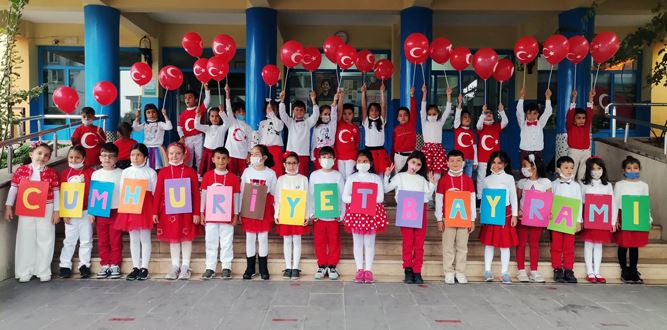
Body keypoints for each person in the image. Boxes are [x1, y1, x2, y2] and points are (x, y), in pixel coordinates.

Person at [4, 143, 61, 282]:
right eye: (39, 153)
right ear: (31, 154)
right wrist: (8, 206)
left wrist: (56, 211)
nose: (43, 157)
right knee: (25, 237)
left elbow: (56, 192)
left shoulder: (51, 173)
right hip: (26, 208)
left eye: (46, 155)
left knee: (46, 237)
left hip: (47, 207)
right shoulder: (21, 171)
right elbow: (14, 188)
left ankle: (43, 270)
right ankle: (24, 270)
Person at [384, 151, 436, 284]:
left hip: (420, 211)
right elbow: (386, 189)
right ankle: (407, 269)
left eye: (419, 164)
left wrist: (431, 183)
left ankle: (417, 270)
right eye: (413, 162)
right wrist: (387, 176)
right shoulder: (400, 176)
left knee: (419, 243)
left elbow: (428, 196)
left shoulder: (421, 179)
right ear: (408, 161)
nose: (415, 166)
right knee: (408, 242)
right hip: (405, 211)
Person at [152, 142, 201, 280]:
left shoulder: (190, 171)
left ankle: (185, 266)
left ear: (184, 155)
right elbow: (158, 193)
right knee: (173, 238)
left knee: (186, 237)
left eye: (178, 153)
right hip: (168, 212)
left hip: (186, 211)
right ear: (167, 155)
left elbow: (196, 194)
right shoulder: (163, 172)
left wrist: (196, 212)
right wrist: (155, 211)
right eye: (171, 153)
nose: (174, 156)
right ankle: (175, 266)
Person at [343, 149, 388, 284]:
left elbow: (380, 197)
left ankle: (368, 270)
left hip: (370, 214)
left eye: (365, 161)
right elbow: (345, 197)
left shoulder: (375, 178)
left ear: (371, 163)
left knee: (369, 243)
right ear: (356, 163)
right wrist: (357, 200)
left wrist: (366, 200)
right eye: (360, 161)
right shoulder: (352, 178)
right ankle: (359, 269)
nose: (362, 164)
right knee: (357, 242)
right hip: (356, 214)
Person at [115, 144, 156, 281]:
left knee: (145, 237)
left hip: (145, 206)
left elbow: (155, 192)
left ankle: (144, 267)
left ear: (145, 156)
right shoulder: (126, 172)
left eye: (138, 155)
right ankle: (135, 267)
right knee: (133, 238)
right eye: (133, 155)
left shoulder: (151, 172)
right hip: (130, 205)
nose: (135, 157)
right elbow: (122, 190)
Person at [435, 149, 476, 284]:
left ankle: (460, 272)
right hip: (448, 218)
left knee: (462, 246)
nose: (455, 163)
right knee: (448, 246)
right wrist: (439, 219)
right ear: (447, 163)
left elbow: (471, 201)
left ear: (464, 163)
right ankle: (448, 272)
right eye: (452, 161)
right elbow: (439, 200)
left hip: (464, 219)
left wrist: (472, 219)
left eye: (458, 160)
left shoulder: (468, 180)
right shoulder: (443, 180)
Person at [200, 147, 241, 280]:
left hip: (227, 216)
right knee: (211, 241)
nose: (221, 161)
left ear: (228, 160)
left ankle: (226, 267)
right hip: (211, 215)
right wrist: (201, 212)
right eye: (218, 158)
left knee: (226, 241)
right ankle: (210, 267)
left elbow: (236, 197)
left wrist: (236, 214)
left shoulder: (233, 178)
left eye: (224, 158)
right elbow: (204, 195)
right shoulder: (208, 176)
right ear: (213, 160)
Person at [479, 151, 518, 284]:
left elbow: (513, 196)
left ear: (505, 164)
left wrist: (514, 214)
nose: (496, 165)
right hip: (490, 214)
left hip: (505, 213)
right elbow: (483, 198)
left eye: (500, 163)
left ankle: (504, 272)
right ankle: (487, 271)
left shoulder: (509, 178)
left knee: (504, 244)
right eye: (494, 162)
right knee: (489, 243)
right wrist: (482, 215)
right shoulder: (487, 179)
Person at [240, 145, 278, 280]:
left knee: (262, 238)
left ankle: (263, 268)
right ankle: (250, 268)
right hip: (249, 208)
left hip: (265, 208)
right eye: (252, 154)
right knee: (250, 237)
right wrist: (240, 210)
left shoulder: (271, 173)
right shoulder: (247, 172)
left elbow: (275, 193)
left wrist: (275, 211)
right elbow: (242, 192)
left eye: (257, 154)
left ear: (264, 157)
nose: (253, 156)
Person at [57, 146, 94, 279]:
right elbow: (62, 193)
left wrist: (92, 211)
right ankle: (65, 265)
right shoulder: (65, 173)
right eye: (71, 157)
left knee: (86, 240)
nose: (74, 159)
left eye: (77, 157)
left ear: (83, 158)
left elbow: (93, 193)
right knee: (69, 240)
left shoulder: (90, 172)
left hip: (86, 211)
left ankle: (84, 265)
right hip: (71, 213)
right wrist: (64, 213)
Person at [308, 146, 345, 280]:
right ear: (319, 159)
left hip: (333, 217)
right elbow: (310, 196)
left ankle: (332, 265)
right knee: (320, 241)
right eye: (324, 157)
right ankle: (322, 265)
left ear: (334, 160)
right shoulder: (314, 175)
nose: (326, 160)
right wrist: (311, 213)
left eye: (329, 157)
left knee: (334, 241)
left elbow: (342, 196)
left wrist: (341, 214)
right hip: (319, 216)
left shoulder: (337, 175)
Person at [614, 156, 651, 284]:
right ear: (624, 170)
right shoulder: (619, 185)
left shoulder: (644, 186)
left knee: (635, 245)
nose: (632, 170)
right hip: (624, 215)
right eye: (629, 168)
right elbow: (616, 202)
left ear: (639, 169)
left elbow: (645, 203)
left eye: (635, 168)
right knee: (624, 244)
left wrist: (649, 218)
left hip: (638, 216)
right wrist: (615, 220)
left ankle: (634, 270)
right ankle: (624, 270)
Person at [580, 156, 617, 283]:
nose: (596, 171)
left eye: (599, 168)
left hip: (602, 219)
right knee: (589, 244)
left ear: (603, 169)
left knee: (598, 244)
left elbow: (612, 203)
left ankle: (597, 271)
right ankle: (590, 272)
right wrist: (580, 219)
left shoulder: (607, 185)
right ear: (588, 170)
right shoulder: (584, 184)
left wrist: (612, 221)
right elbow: (581, 202)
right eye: (593, 168)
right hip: (589, 218)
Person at [274, 152, 310, 280]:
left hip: (298, 214)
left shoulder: (303, 179)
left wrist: (307, 214)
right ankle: (288, 266)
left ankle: (295, 267)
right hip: (285, 214)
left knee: (297, 240)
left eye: (294, 163)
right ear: (284, 165)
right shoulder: (281, 179)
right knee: (287, 240)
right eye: (289, 163)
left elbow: (307, 198)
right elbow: (277, 197)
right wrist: (276, 213)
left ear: (298, 164)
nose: (291, 166)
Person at [515, 154, 551, 283]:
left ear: (534, 167)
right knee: (521, 243)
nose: (523, 169)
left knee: (534, 244)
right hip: (523, 218)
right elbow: (517, 199)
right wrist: (517, 211)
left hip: (537, 220)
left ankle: (534, 270)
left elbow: (549, 200)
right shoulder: (522, 183)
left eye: (525, 166)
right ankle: (521, 270)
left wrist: (548, 214)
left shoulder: (546, 182)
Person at [90, 143, 123, 279]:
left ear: (116, 159)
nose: (107, 159)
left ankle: (115, 264)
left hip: (116, 211)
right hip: (101, 211)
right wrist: (92, 212)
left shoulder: (122, 173)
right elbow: (93, 193)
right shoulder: (95, 174)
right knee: (102, 239)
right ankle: (105, 264)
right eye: (104, 156)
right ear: (99, 158)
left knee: (115, 239)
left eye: (110, 156)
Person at [551, 155, 583, 283]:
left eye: (571, 168)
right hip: (556, 220)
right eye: (566, 167)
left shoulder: (576, 186)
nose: (569, 170)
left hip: (570, 220)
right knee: (556, 245)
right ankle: (557, 268)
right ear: (558, 169)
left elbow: (579, 202)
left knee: (569, 246)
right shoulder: (553, 185)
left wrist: (578, 220)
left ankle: (569, 269)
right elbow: (550, 201)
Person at [279, 90, 319, 176]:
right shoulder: (290, 122)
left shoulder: (308, 123)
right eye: (296, 110)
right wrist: (282, 101)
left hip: (303, 154)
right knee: (290, 174)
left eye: (301, 110)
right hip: (290, 154)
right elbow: (282, 114)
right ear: (293, 111)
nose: (299, 112)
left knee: (302, 175)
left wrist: (313, 101)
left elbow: (315, 116)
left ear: (305, 111)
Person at [476, 103, 508, 199]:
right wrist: (482, 113)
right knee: (481, 178)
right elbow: (478, 124)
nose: (488, 114)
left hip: (495, 159)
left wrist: (501, 111)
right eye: (486, 113)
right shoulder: (481, 128)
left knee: (496, 175)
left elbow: (505, 122)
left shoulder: (496, 127)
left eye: (490, 113)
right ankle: (480, 197)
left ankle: (494, 193)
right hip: (483, 157)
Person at [420, 85, 452, 182]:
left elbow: (447, 111)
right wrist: (424, 94)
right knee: (427, 171)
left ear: (438, 114)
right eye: (429, 114)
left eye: (434, 114)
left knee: (438, 172)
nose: (432, 116)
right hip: (427, 149)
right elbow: (422, 109)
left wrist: (449, 95)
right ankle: (428, 192)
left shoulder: (440, 122)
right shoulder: (424, 122)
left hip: (438, 149)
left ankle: (436, 190)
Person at [177, 86, 210, 171]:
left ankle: (199, 175)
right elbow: (179, 127)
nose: (187, 99)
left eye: (190, 97)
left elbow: (207, 100)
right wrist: (181, 137)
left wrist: (206, 89)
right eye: (185, 98)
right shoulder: (183, 114)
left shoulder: (199, 109)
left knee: (199, 157)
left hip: (198, 137)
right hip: (187, 139)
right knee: (188, 159)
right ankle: (188, 174)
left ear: (196, 100)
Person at [361, 83, 391, 176]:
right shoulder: (366, 121)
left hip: (380, 152)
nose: (374, 112)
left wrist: (382, 92)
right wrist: (363, 93)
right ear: (368, 112)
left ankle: (380, 189)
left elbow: (383, 106)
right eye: (372, 110)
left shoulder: (381, 121)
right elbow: (364, 106)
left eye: (376, 110)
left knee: (381, 173)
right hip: (369, 151)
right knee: (369, 173)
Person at [516, 88, 553, 161]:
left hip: (538, 152)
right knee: (525, 171)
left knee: (538, 171)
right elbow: (519, 111)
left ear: (538, 114)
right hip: (525, 152)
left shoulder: (540, 123)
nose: (532, 116)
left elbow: (547, 112)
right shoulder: (522, 123)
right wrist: (521, 96)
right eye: (529, 113)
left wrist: (548, 97)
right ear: (526, 114)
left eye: (534, 113)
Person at [195, 102, 230, 177]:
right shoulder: (207, 127)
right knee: (206, 171)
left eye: (217, 116)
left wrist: (222, 113)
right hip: (207, 152)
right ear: (209, 117)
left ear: (220, 117)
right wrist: (197, 115)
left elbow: (227, 123)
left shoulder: (222, 128)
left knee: (218, 171)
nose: (214, 118)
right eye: (212, 116)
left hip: (218, 153)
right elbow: (196, 125)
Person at [566, 89, 595, 180]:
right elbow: (570, 115)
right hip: (574, 151)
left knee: (584, 173)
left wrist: (591, 98)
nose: (582, 120)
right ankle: (569, 190)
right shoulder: (570, 126)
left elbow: (590, 113)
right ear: (574, 119)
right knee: (571, 172)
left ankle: (582, 189)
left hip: (586, 151)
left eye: (583, 118)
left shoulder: (586, 126)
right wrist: (574, 98)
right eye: (578, 118)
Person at [132, 104, 172, 170]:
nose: (151, 114)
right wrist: (137, 117)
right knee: (146, 168)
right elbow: (134, 128)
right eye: (148, 112)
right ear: (145, 114)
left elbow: (169, 127)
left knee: (159, 168)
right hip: (147, 149)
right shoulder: (144, 124)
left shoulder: (160, 124)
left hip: (158, 149)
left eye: (153, 112)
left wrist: (165, 115)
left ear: (157, 113)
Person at [224, 89, 253, 177]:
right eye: (239, 111)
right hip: (231, 154)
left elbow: (250, 141)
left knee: (244, 176)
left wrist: (249, 154)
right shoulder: (232, 121)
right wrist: (227, 95)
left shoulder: (248, 127)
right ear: (234, 113)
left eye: (243, 111)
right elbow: (228, 109)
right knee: (230, 176)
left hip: (243, 155)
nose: (241, 113)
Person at [311, 90, 341, 171]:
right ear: (320, 115)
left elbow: (334, 114)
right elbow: (314, 142)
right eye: (325, 114)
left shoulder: (332, 125)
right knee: (320, 172)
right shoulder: (316, 127)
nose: (327, 116)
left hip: (330, 151)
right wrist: (312, 156)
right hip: (318, 152)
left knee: (332, 171)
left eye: (329, 114)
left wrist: (335, 100)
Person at [391, 87, 417, 175]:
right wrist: (392, 158)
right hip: (398, 156)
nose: (403, 117)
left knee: (411, 175)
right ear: (397, 118)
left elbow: (413, 110)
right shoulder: (396, 130)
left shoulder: (411, 124)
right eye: (400, 115)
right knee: (399, 176)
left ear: (409, 117)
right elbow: (393, 145)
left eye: (405, 115)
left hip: (411, 155)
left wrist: (412, 96)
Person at [256, 98, 285, 176]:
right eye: (268, 108)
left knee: (277, 170)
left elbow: (278, 128)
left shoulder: (279, 122)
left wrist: (272, 114)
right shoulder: (262, 122)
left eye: (272, 108)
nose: (270, 110)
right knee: (263, 170)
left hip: (275, 149)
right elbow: (259, 137)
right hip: (263, 150)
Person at [453, 93, 477, 177]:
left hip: (470, 160)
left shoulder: (472, 133)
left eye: (469, 117)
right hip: (459, 159)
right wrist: (460, 103)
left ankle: (467, 191)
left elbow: (474, 147)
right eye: (465, 117)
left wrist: (475, 161)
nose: (467, 119)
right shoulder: (457, 129)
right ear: (460, 119)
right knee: (458, 177)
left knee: (468, 178)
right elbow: (456, 117)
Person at [335, 102, 360, 180]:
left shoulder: (355, 128)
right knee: (341, 178)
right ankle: (342, 192)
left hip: (351, 157)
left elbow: (357, 143)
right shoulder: (339, 124)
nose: (347, 116)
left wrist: (355, 156)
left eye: (349, 114)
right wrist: (340, 96)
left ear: (353, 114)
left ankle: (349, 192)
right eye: (344, 113)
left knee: (349, 177)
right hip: (339, 157)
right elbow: (339, 110)